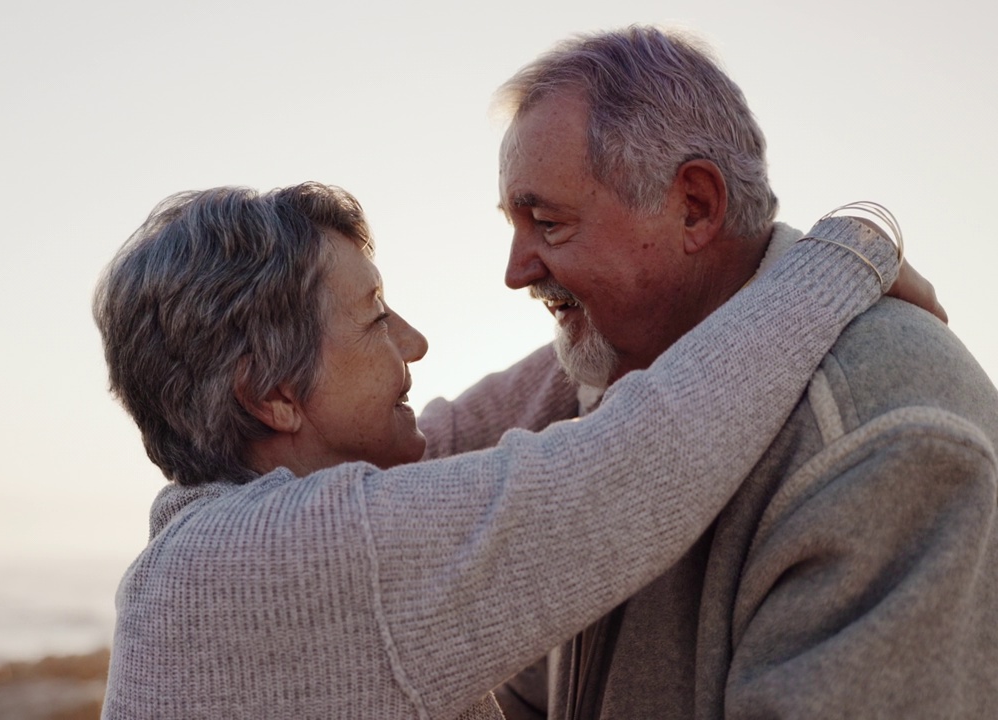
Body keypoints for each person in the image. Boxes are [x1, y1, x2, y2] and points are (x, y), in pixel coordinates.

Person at [92, 180, 912, 719]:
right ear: (270, 392)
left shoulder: (232, 541)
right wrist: (847, 253)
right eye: (376, 317)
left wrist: (657, 308)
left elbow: (481, 425)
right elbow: (632, 469)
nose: (413, 343)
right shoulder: (284, 561)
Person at [491, 26, 997, 719]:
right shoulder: (604, 374)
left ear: (694, 206)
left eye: (546, 221)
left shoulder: (881, 445)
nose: (515, 271)